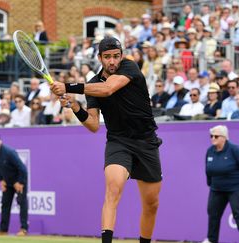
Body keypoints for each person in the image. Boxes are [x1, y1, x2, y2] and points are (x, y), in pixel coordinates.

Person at [50, 37, 162, 243]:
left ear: (121, 56)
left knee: (151, 204)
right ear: (100, 58)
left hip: (146, 141)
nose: (112, 61)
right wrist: (75, 107)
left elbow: (108, 89)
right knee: (113, 189)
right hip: (119, 142)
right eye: (107, 57)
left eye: (116, 56)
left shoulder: (129, 67)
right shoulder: (93, 84)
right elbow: (93, 124)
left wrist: (67, 87)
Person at [204, 125, 239, 243]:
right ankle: (211, 240)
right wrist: (210, 184)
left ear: (224, 137)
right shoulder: (210, 151)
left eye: (216, 136)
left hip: (236, 187)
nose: (212, 138)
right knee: (213, 213)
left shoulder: (234, 149)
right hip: (217, 188)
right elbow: (207, 169)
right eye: (211, 136)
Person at [0, 133, 28, 236]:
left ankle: (23, 229)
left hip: (18, 180)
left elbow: (23, 169)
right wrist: (1, 180)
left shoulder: (9, 152)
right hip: (7, 182)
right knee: (5, 204)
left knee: (22, 203)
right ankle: (3, 229)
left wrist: (20, 182)